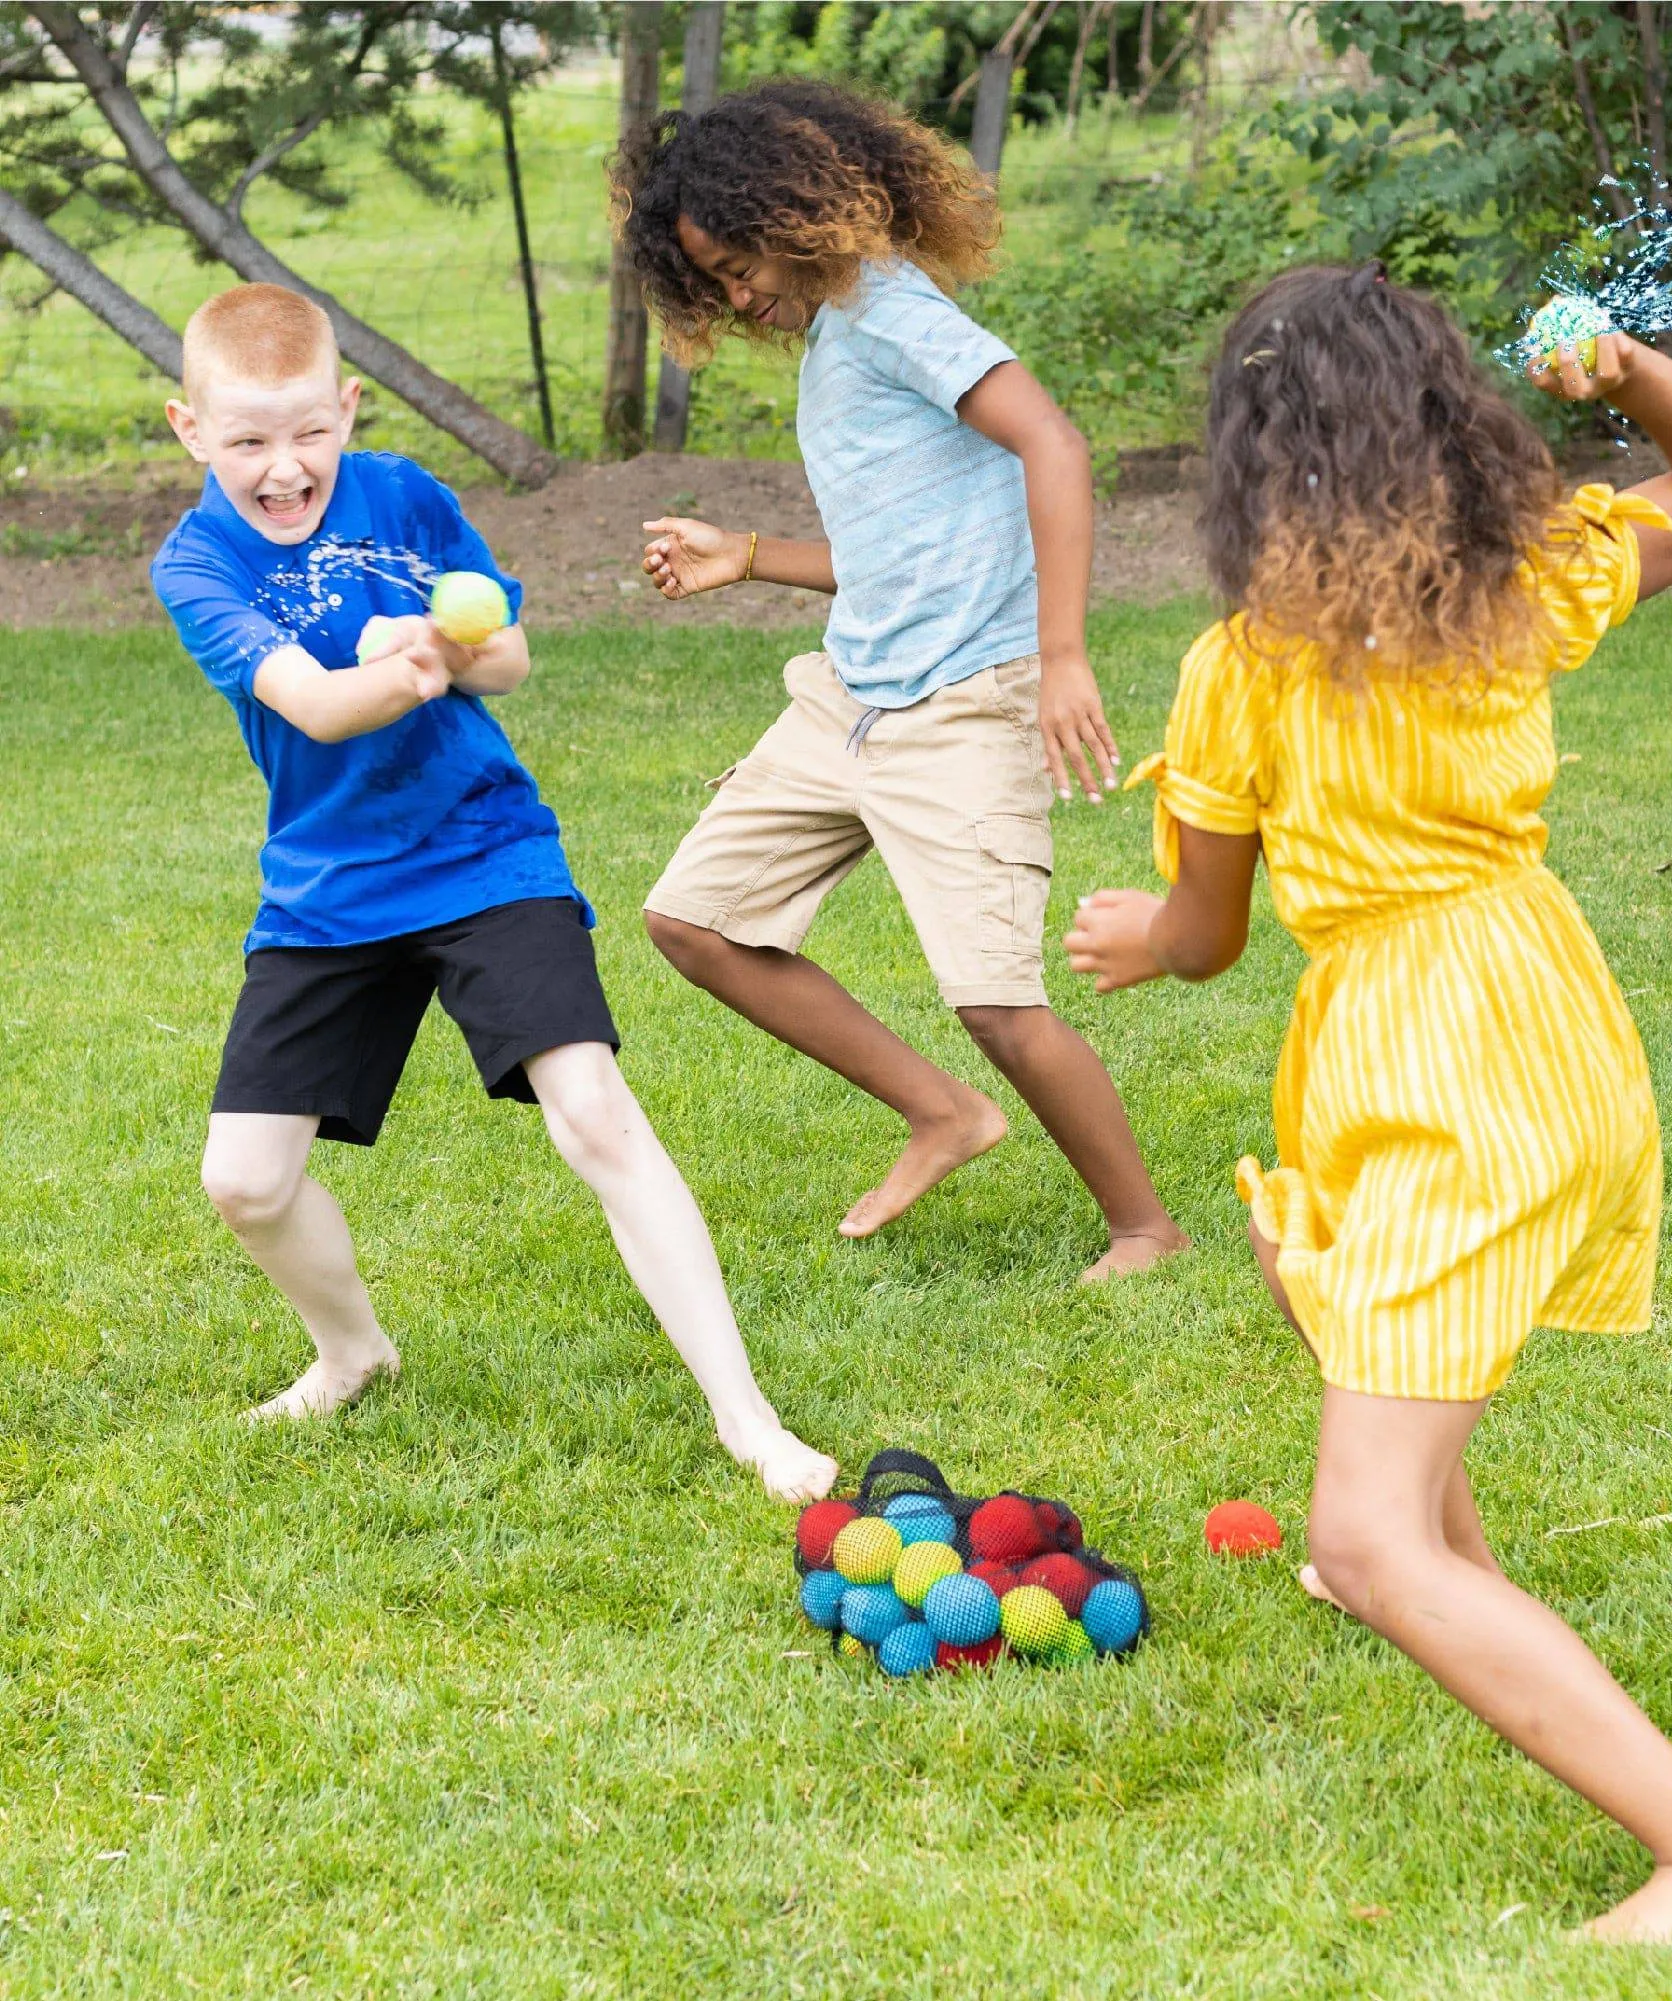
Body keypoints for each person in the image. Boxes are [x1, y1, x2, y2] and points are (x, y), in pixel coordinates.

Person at [1064, 265, 1672, 1940]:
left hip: (1435, 1061)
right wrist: (1622, 374)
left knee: (1367, 1525)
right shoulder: (1516, 583)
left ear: (1248, 458)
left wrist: (1135, 931)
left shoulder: (1239, 670)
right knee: (1312, 1263)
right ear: (1447, 425)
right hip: (1537, 1012)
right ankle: (1429, 1570)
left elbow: (1203, 935)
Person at [151, 282, 836, 1502]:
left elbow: (508, 653)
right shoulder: (198, 559)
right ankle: (353, 1352)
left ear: (347, 408)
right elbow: (309, 701)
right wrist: (415, 662)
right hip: (327, 889)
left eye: (308, 430)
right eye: (248, 439)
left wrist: (441, 645)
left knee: (595, 1115)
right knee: (244, 1182)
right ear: (190, 431)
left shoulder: (407, 495)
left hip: (483, 853)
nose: (283, 465)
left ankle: (750, 1422)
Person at [610, 80, 1186, 1283]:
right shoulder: (840, 335)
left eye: (737, 260)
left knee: (997, 1001)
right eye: (710, 281)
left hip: (966, 701)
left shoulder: (891, 313)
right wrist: (751, 557)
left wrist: (1064, 655)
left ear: (793, 206)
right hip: (853, 697)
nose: (735, 293)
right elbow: (897, 547)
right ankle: (944, 1114)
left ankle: (1147, 1228)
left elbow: (1055, 443)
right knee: (694, 918)